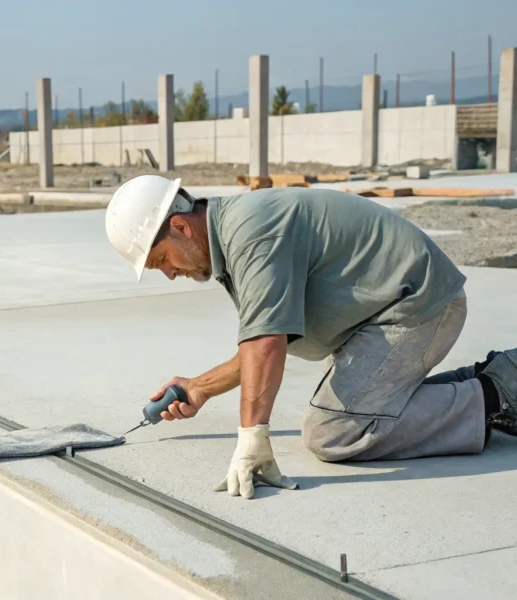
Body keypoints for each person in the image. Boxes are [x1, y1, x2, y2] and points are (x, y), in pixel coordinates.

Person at [105, 175, 516, 500]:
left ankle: (499, 395)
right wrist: (199, 388)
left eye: (162, 260)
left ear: (181, 227)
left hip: (419, 307)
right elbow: (264, 341)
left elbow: (266, 343)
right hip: (384, 314)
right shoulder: (236, 232)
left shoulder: (251, 234)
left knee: (333, 431)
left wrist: (251, 440)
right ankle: (491, 380)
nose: (170, 273)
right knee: (354, 413)